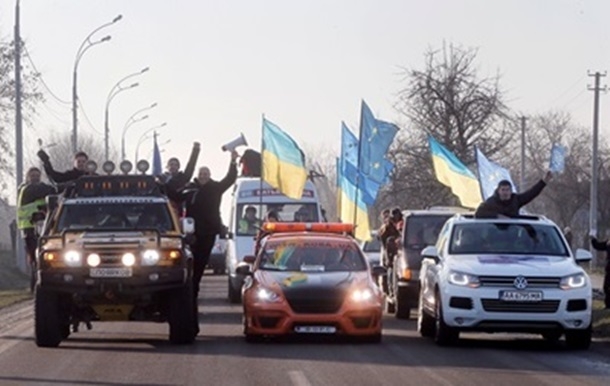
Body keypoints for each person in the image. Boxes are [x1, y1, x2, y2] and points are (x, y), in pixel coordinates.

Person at [168, 150, 238, 335]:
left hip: (208, 234)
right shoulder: (190, 188)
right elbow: (174, 195)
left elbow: (229, 179)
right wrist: (162, 184)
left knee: (199, 267)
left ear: (209, 175)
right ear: (198, 176)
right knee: (190, 269)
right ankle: (191, 292)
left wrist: (233, 161)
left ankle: (194, 290)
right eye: (201, 174)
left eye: (206, 174)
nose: (203, 176)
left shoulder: (215, 188)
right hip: (191, 235)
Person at [17, 167, 56, 291]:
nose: (35, 177)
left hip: (41, 227)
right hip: (29, 228)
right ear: (28, 177)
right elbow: (46, 190)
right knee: (35, 258)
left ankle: (36, 285)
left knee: (38, 258)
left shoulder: (37, 188)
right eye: (32, 175)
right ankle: (35, 285)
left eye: (37, 175)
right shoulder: (26, 189)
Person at [474, 171, 553, 218]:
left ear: (511, 191)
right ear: (498, 191)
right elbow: (478, 213)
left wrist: (543, 182)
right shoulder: (491, 202)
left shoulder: (516, 200)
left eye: (508, 190)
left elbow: (531, 194)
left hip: (514, 235)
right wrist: (498, 216)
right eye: (503, 190)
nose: (505, 192)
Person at [590, 236, 610, 309]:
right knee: (606, 287)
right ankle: (608, 305)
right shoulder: (608, 243)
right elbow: (599, 246)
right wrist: (593, 240)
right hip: (609, 268)